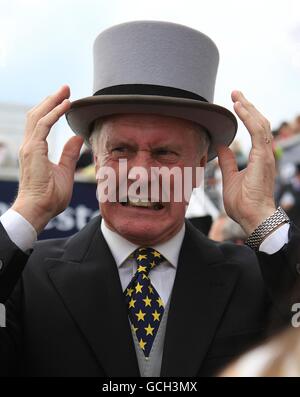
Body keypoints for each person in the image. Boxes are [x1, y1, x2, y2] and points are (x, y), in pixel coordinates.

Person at [0, 21, 300, 377]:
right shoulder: (25, 279)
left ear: (200, 167)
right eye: (121, 150)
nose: (141, 174)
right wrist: (28, 210)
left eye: (165, 153)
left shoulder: (260, 279)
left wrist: (263, 219)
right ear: (96, 161)